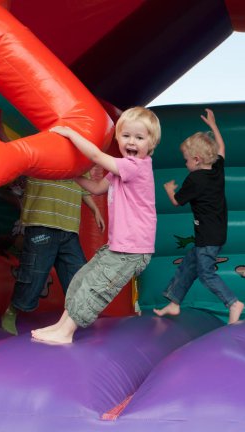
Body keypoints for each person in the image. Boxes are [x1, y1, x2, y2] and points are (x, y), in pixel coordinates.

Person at [31, 106, 159, 344]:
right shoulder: (121, 169)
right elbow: (98, 188)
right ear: (118, 138)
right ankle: (61, 325)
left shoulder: (137, 167)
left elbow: (98, 157)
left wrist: (71, 134)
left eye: (139, 138)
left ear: (151, 143)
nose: (132, 142)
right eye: (126, 136)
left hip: (132, 250)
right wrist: (73, 176)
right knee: (82, 279)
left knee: (95, 287)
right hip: (118, 246)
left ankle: (66, 333)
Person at [0, 112, 106, 336]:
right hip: (42, 224)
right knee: (33, 275)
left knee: (78, 275)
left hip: (69, 230)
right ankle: (12, 311)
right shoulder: (39, 152)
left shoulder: (78, 161)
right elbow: (11, 152)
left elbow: (82, 188)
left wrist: (95, 209)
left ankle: (76, 317)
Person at [153, 109, 244, 324]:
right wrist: (213, 125)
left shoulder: (194, 179)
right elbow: (221, 148)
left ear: (196, 160)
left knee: (205, 273)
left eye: (186, 160)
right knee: (189, 264)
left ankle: (233, 303)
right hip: (216, 233)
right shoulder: (216, 169)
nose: (185, 164)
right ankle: (174, 302)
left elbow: (177, 201)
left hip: (208, 236)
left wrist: (169, 189)